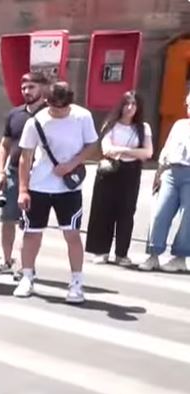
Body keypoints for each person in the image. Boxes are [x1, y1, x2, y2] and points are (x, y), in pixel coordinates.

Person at [14, 81, 98, 303]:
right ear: (47, 102)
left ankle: (77, 282)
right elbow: (25, 157)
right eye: (54, 107)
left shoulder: (82, 117)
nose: (59, 111)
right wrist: (23, 190)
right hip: (39, 185)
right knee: (32, 233)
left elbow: (92, 145)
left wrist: (71, 164)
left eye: (64, 107)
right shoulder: (36, 121)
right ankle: (27, 276)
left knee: (72, 234)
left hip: (69, 188)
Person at [85, 91, 152, 267]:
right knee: (103, 210)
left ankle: (122, 254)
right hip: (110, 171)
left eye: (134, 104)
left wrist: (121, 150)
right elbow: (107, 149)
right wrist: (133, 151)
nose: (130, 108)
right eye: (127, 104)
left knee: (126, 212)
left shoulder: (143, 128)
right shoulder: (111, 124)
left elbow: (148, 152)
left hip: (131, 172)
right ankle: (101, 251)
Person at [0, 72, 48, 275]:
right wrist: (0, 171)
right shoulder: (15, 114)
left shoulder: (50, 115)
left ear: (42, 88)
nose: (26, 91)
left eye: (31, 87)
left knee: (31, 224)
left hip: (39, 175)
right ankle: (7, 261)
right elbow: (4, 145)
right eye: (23, 88)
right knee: (8, 219)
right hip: (14, 172)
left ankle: (26, 266)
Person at [139, 89, 190, 273]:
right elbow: (167, 148)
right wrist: (159, 172)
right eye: (188, 104)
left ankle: (180, 258)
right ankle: (153, 255)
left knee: (187, 217)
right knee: (159, 213)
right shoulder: (180, 125)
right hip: (171, 172)